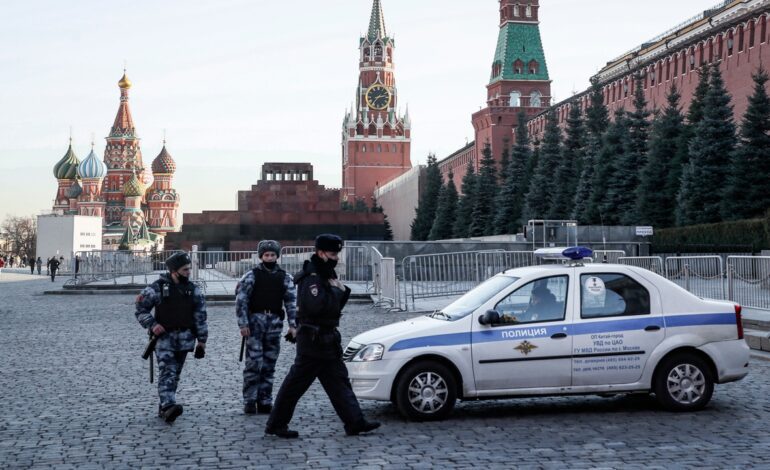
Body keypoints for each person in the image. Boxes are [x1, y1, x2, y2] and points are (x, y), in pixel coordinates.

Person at [265, 234, 380, 439]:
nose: (336, 258)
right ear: (320, 253)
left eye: (337, 253)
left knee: (339, 382)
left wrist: (340, 291)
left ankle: (355, 422)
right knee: (295, 385)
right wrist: (337, 291)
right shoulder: (313, 277)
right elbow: (317, 308)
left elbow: (333, 309)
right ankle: (276, 423)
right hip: (313, 341)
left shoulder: (325, 274)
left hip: (327, 340)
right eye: (333, 253)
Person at [135, 252, 208, 423]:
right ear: (174, 271)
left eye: (189, 269)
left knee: (175, 375)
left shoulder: (193, 290)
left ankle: (164, 406)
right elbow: (140, 308)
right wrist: (153, 325)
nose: (188, 272)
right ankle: (169, 405)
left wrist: (202, 341)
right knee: (167, 372)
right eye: (185, 269)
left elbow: (201, 317)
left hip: (185, 339)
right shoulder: (157, 288)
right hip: (164, 340)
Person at [236, 240, 297, 415]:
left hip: (275, 324)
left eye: (272, 255)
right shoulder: (251, 276)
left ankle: (265, 400)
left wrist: (293, 326)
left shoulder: (285, 277)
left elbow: (292, 302)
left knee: (269, 364)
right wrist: (243, 323)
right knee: (254, 364)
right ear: (261, 256)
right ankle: (249, 400)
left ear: (277, 256)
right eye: (266, 255)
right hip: (255, 324)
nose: (269, 258)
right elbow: (241, 301)